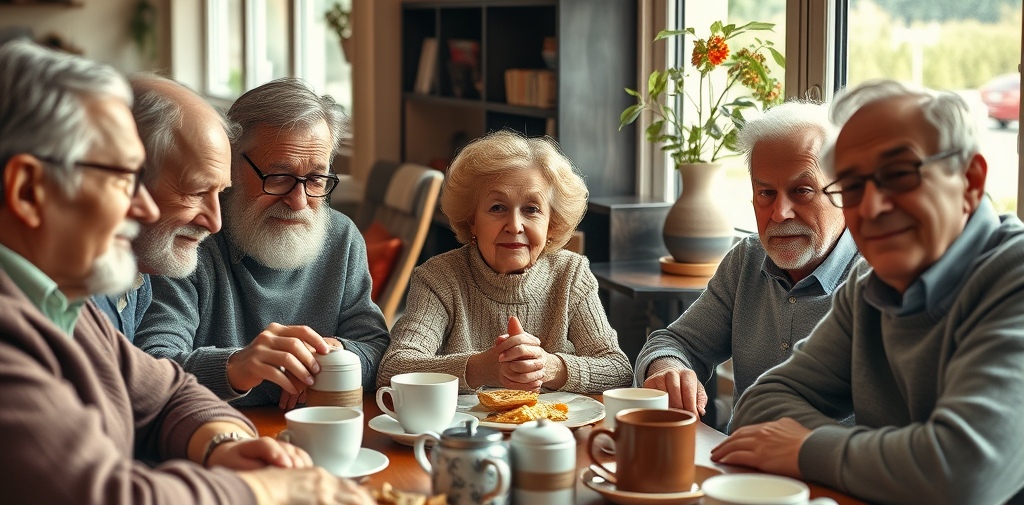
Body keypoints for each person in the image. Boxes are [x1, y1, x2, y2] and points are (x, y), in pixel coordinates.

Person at [0, 41, 386, 505]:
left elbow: (165, 391)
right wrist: (270, 496)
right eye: (120, 180)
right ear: (27, 191)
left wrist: (222, 445)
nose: (141, 208)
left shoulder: (60, 303)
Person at [712, 79, 1024, 505]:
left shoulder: (1014, 276)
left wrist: (809, 448)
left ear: (971, 180)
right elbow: (759, 406)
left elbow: (960, 476)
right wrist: (905, 469)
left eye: (899, 174)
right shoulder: (872, 285)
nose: (872, 207)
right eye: (853, 186)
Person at [137, 78, 390, 410]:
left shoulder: (340, 238)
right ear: (231, 166)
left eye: (315, 179)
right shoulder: (191, 237)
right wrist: (237, 367)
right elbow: (149, 366)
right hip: (212, 432)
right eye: (279, 177)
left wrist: (330, 358)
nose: (298, 201)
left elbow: (376, 347)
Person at [635, 101, 865, 418]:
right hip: (737, 466)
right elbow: (675, 342)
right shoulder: (747, 259)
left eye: (802, 190)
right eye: (765, 193)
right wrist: (668, 368)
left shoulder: (880, 276)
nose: (780, 213)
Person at [377, 130, 632, 393]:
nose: (514, 225)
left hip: (552, 431)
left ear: (551, 223)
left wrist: (549, 366)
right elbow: (392, 369)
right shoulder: (439, 277)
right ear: (472, 220)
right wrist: (481, 369)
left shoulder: (571, 274)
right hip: (466, 432)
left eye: (532, 209)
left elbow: (618, 370)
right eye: (497, 208)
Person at [92, 73, 231, 342]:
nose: (215, 223)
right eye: (196, 192)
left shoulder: (134, 276)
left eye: (220, 193)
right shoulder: (73, 292)